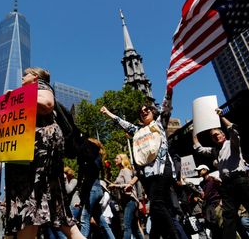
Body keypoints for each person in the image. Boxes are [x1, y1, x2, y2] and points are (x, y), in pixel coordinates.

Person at [4, 67, 84, 239]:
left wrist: (18, 97)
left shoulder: (40, 85)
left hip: (36, 152)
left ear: (34, 76)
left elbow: (47, 103)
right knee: (56, 208)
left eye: (25, 75)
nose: (22, 77)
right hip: (33, 151)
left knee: (29, 200)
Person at [101, 88, 179, 239]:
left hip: (162, 170)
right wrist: (108, 113)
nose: (143, 112)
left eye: (147, 109)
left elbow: (166, 107)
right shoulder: (137, 131)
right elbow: (121, 123)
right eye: (141, 111)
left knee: (157, 203)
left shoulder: (159, 124)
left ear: (153, 112)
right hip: (147, 175)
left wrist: (169, 90)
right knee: (156, 209)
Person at [192, 108, 249, 239]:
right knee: (228, 216)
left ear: (223, 135)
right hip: (227, 186)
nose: (216, 136)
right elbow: (199, 148)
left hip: (240, 181)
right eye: (213, 136)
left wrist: (222, 116)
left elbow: (233, 130)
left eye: (218, 134)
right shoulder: (215, 151)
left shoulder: (232, 143)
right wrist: (195, 129)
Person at [77, 138, 115, 239]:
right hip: (97, 189)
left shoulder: (92, 159)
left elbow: (86, 175)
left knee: (85, 218)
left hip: (92, 189)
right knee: (100, 219)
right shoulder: (97, 158)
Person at [109, 153, 144, 239]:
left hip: (130, 201)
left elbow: (129, 185)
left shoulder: (125, 170)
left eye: (117, 158)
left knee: (126, 226)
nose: (115, 160)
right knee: (135, 227)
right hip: (127, 201)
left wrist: (115, 185)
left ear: (122, 160)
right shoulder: (121, 171)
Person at [194, 164, 222, 239]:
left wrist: (221, 202)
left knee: (218, 225)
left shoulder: (213, 179)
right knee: (212, 226)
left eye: (200, 170)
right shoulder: (201, 183)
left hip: (215, 204)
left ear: (205, 170)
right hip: (208, 206)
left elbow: (222, 190)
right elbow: (203, 196)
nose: (198, 172)